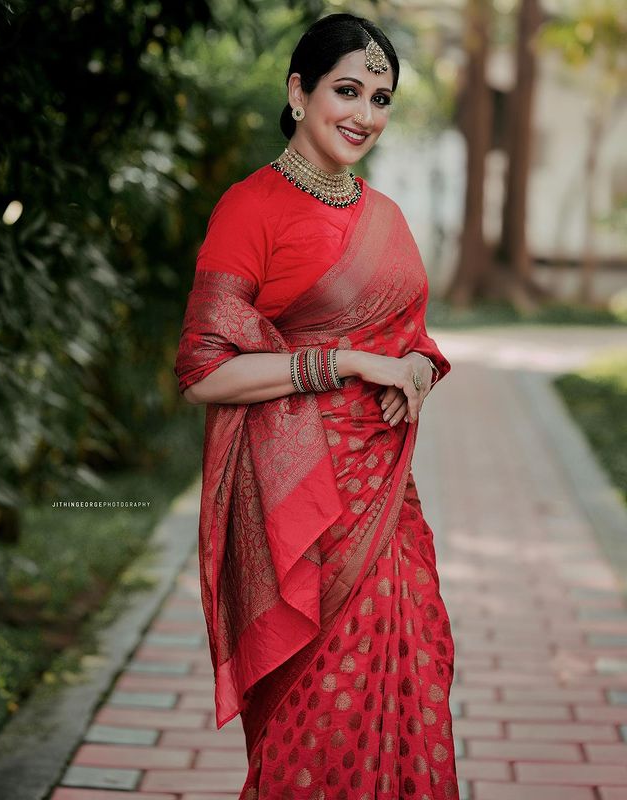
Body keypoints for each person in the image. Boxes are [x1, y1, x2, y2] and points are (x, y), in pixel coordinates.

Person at [174, 12, 458, 799]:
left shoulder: (387, 218)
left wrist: (410, 367)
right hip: (296, 516)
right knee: (314, 724)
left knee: (413, 683)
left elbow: (417, 349)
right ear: (298, 92)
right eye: (347, 90)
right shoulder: (249, 209)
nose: (365, 115)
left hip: (385, 508)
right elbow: (203, 372)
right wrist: (344, 362)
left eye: (381, 97)